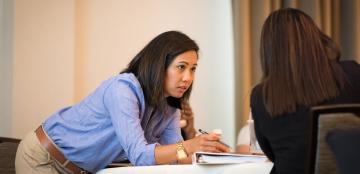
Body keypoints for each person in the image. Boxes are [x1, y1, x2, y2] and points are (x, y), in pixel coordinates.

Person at [15, 31, 230, 174]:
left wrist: (210, 155)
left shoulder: (170, 110)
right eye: (181, 67)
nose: (188, 78)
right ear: (158, 65)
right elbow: (140, 156)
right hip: (43, 159)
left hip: (81, 169)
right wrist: (189, 145)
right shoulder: (123, 89)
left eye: (193, 69)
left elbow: (175, 155)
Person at [250, 8, 360, 174]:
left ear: (269, 49)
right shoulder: (352, 73)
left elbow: (271, 152)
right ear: (315, 38)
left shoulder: (262, 95)